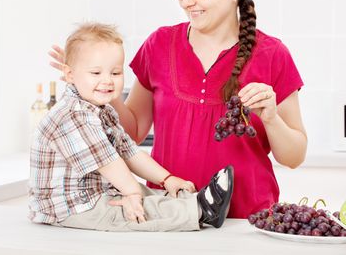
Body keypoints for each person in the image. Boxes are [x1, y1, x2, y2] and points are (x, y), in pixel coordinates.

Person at [49, 0, 307, 218]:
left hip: (247, 218)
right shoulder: (160, 44)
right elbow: (133, 131)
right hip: (168, 214)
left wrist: (271, 118)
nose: (187, 2)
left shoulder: (273, 54)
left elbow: (293, 157)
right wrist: (98, 87)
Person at [31, 22, 234, 231]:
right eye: (96, 73)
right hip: (71, 206)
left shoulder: (103, 110)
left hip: (95, 193)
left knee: (149, 193)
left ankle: (192, 200)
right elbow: (110, 164)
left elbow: (130, 152)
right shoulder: (73, 114)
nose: (107, 81)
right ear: (70, 75)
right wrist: (132, 195)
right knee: (133, 210)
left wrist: (166, 179)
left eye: (116, 73)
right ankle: (202, 211)